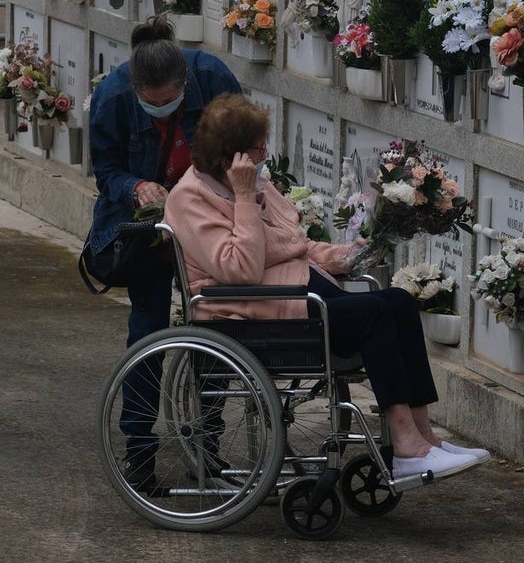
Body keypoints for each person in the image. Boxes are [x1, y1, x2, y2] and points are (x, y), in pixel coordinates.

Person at [163, 94, 490, 480]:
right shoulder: (191, 198)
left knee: (400, 301)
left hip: (298, 296)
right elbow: (242, 267)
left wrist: (342, 255)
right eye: (256, 148)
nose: (265, 152)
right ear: (230, 157)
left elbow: (292, 242)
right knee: (375, 313)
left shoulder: (250, 182)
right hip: (256, 312)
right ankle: (405, 445)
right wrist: (245, 197)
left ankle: (424, 437)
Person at [84, 15, 242, 492]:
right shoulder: (113, 97)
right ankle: (139, 451)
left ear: (186, 83)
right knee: (147, 330)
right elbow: (107, 169)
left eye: (170, 101)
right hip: (147, 226)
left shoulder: (214, 79)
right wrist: (136, 187)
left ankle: (208, 445)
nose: (161, 110)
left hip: (209, 217)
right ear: (134, 87)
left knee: (213, 325)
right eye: (149, 105)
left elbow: (246, 151)